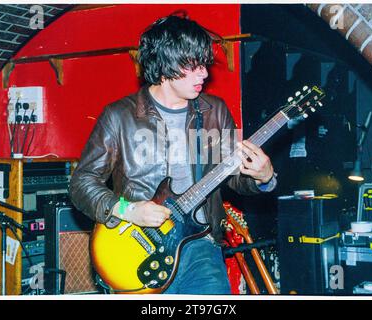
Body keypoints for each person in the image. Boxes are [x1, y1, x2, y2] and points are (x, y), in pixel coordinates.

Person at [69, 13, 277, 295]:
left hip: (201, 246)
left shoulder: (214, 111)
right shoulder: (119, 116)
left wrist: (263, 177)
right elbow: (81, 183)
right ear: (166, 65)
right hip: (137, 249)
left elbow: (233, 177)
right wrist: (128, 210)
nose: (204, 73)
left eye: (204, 64)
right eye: (194, 65)